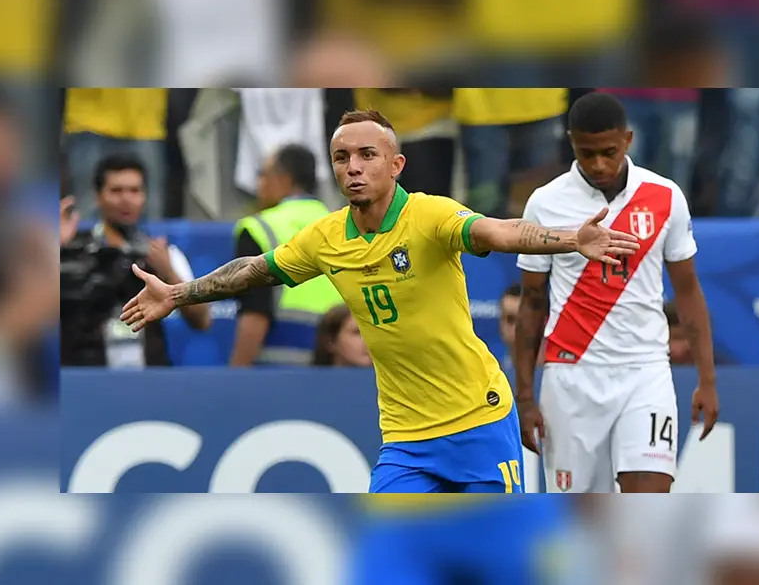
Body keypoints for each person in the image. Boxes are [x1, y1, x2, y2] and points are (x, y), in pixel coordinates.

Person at [121, 108, 640, 494]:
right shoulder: (325, 237)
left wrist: (571, 238)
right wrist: (179, 292)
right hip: (406, 439)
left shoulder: (429, 216)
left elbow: (501, 232)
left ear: (396, 164)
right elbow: (254, 271)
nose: (353, 167)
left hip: (478, 422)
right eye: (342, 157)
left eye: (367, 155)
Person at [514, 92, 719, 494]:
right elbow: (532, 302)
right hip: (571, 377)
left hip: (646, 371)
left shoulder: (666, 196)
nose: (598, 164)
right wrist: (525, 397)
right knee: (582, 519)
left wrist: (707, 380)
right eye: (585, 152)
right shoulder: (544, 202)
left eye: (608, 151)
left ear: (628, 139)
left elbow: (689, 291)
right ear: (570, 141)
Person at [61, 155, 210, 369]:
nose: (126, 200)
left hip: (148, 384)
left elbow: (202, 321)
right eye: (116, 191)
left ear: (145, 197)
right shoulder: (70, 249)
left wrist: (168, 273)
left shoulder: (163, 254)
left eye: (134, 191)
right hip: (84, 380)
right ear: (98, 196)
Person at [230, 144, 343, 366]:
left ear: (283, 179)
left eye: (262, 175)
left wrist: (235, 377)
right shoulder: (342, 226)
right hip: (338, 370)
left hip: (278, 371)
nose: (258, 185)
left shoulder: (258, 228)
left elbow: (255, 313)